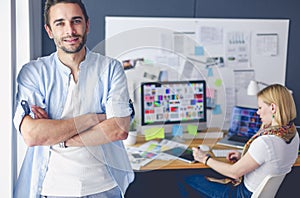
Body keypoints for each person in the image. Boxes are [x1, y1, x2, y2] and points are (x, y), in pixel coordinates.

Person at [13, 0, 134, 197]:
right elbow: (33, 135)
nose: (70, 30)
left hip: (104, 188)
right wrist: (95, 118)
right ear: (49, 30)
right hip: (51, 190)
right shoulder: (34, 72)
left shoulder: (111, 69)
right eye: (60, 23)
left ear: (87, 25)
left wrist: (58, 138)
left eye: (76, 21)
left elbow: (118, 130)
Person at [179, 84, 299, 198]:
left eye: (260, 107)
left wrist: (204, 158)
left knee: (185, 178)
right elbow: (271, 159)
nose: (258, 112)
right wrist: (243, 157)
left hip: (241, 194)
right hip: (255, 191)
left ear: (273, 107)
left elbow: (234, 172)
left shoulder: (266, 142)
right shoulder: (292, 134)